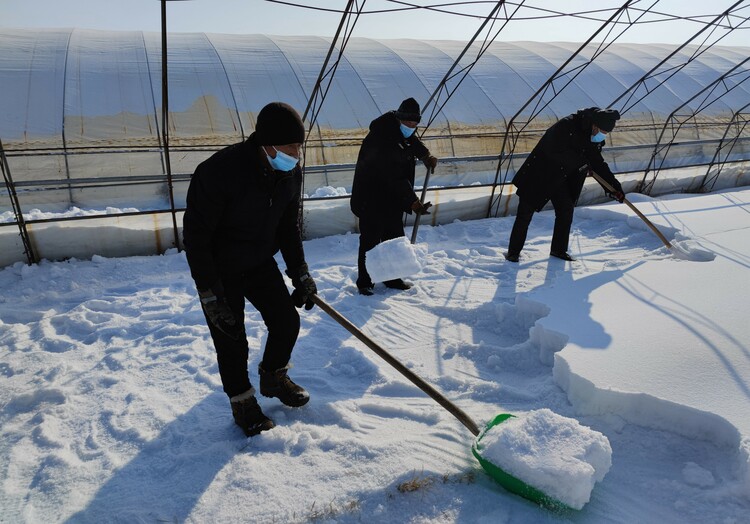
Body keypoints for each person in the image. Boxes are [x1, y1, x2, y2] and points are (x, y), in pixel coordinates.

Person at [183, 102, 318, 437]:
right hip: (219, 269)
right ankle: (242, 402)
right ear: (267, 143)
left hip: (258, 261)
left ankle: (274, 377)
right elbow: (196, 237)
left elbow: (289, 227)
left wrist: (299, 271)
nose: (297, 153)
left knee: (287, 321)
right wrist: (210, 293)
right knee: (232, 339)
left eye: (300, 146)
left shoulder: (289, 173)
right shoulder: (218, 172)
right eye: (291, 146)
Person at [505, 107, 625, 262]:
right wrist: (581, 162)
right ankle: (513, 252)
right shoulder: (567, 125)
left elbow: (597, 163)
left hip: (560, 177)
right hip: (541, 173)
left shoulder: (593, 137)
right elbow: (552, 150)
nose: (602, 136)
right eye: (602, 131)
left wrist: (614, 188)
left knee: (566, 209)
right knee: (525, 212)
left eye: (606, 133)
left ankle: (558, 250)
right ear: (594, 125)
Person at [350, 97, 438, 295]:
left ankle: (392, 277)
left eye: (415, 124)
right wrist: (413, 202)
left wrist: (425, 155)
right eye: (408, 123)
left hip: (391, 199)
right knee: (370, 242)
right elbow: (393, 176)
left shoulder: (400, 132)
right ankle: (365, 281)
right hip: (371, 198)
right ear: (399, 119)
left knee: (394, 238)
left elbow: (411, 141)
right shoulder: (380, 136)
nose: (411, 127)